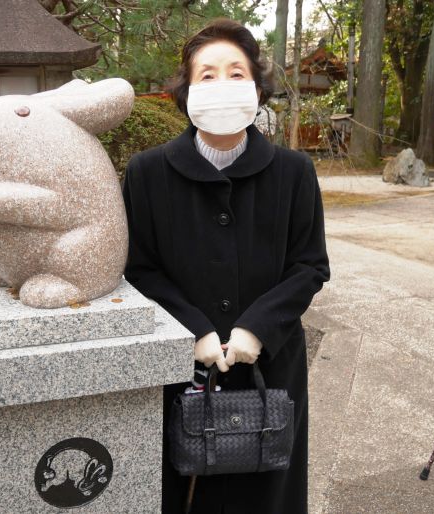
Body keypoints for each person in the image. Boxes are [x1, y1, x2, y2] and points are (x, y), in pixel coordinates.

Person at [122, 19, 331, 514]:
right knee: (184, 485)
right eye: (207, 75)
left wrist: (256, 329)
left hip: (272, 361)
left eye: (236, 73)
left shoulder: (294, 171)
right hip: (180, 364)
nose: (222, 85)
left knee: (266, 490)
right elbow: (139, 267)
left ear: (257, 89)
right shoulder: (148, 173)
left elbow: (309, 265)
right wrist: (195, 330)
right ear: (186, 91)